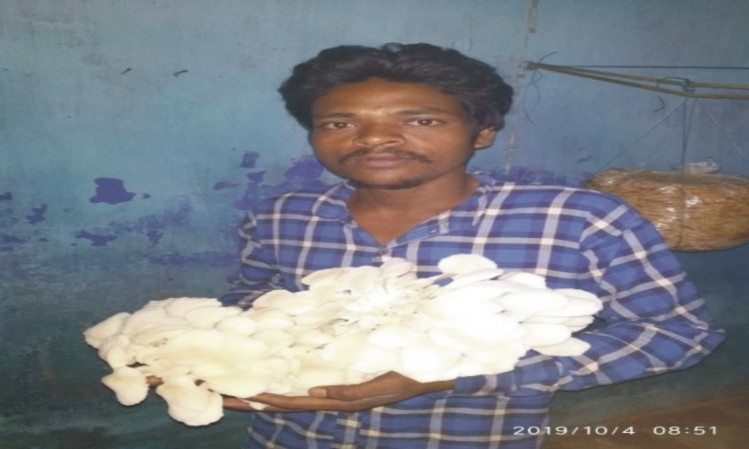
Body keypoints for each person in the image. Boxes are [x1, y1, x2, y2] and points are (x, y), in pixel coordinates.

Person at [219, 43, 725, 449]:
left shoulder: (578, 220)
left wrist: (451, 376)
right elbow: (249, 305)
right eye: (340, 123)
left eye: (420, 121)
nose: (374, 139)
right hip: (291, 436)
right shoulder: (282, 217)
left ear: (482, 132)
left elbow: (679, 335)